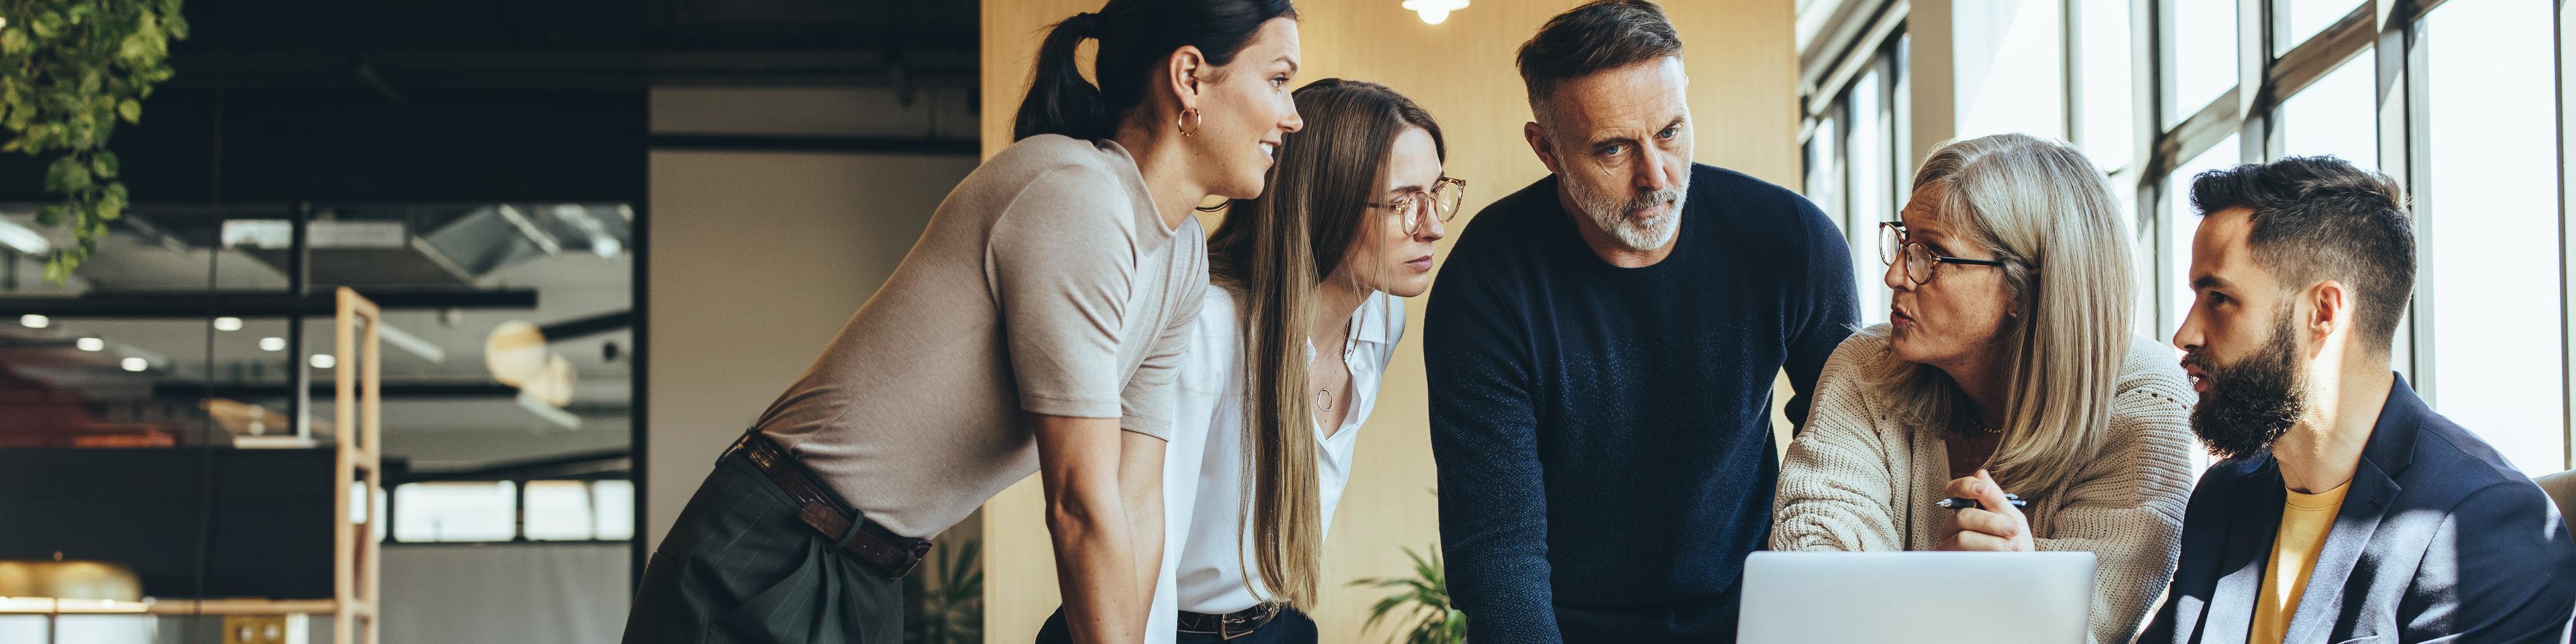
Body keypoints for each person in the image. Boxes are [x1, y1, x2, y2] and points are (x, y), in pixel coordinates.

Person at [619, 1, 1305, 641]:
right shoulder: (1078, 196)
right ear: (1189, 78)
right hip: (770, 549)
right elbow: (1079, 504)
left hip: (868, 567)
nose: (1292, 116)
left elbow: (1135, 500)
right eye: (1277, 80)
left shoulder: (1181, 253)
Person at [1424, 1, 1859, 640]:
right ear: (1545, 149)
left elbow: (1848, 463)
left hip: (1755, 612)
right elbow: (1497, 545)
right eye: (1613, 149)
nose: (1655, 177)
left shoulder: (1792, 242)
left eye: (1670, 132)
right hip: (1569, 624)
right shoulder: (1486, 283)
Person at [1037, 78, 1455, 644]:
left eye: (1437, 193)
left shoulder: (1381, 323)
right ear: (1323, 202)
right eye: (1404, 202)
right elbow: (1139, 542)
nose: (1432, 225)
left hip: (1272, 625)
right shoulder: (1208, 329)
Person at [1768, 133, 2196, 644]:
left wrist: (2018, 596)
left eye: (1933, 255)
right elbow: (1814, 589)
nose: (1896, 274)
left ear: (2022, 288)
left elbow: (2088, 630)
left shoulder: (2143, 401)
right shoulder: (1864, 367)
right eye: (1904, 240)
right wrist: (1978, 601)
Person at [2140, 156, 2576, 643]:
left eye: (2218, 298)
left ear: (2323, 312)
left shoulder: (2482, 529)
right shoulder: (2225, 496)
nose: (2185, 333)